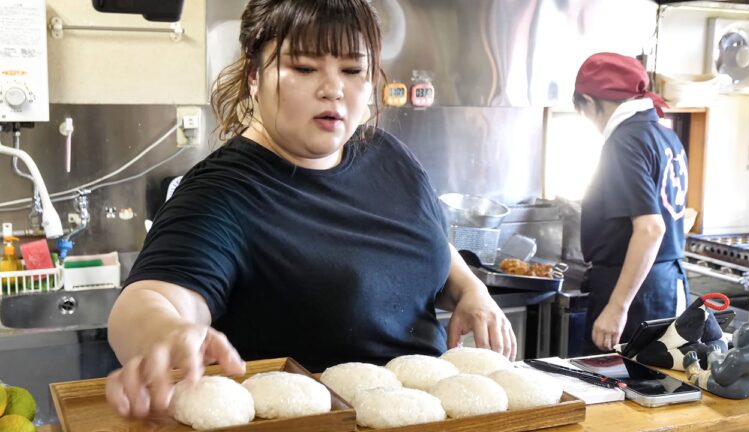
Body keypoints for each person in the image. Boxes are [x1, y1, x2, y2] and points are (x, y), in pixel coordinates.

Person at [105, 0, 516, 418]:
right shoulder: (221, 194)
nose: (333, 89)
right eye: (304, 68)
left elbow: (424, 244)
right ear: (253, 75)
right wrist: (166, 334)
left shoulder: (389, 156)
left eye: (352, 70)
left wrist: (471, 291)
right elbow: (149, 299)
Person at [573, 52, 689, 354]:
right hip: (665, 284)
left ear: (590, 101)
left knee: (614, 382)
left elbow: (651, 229)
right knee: (656, 379)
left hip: (634, 294)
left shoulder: (625, 140)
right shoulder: (665, 136)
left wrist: (617, 307)